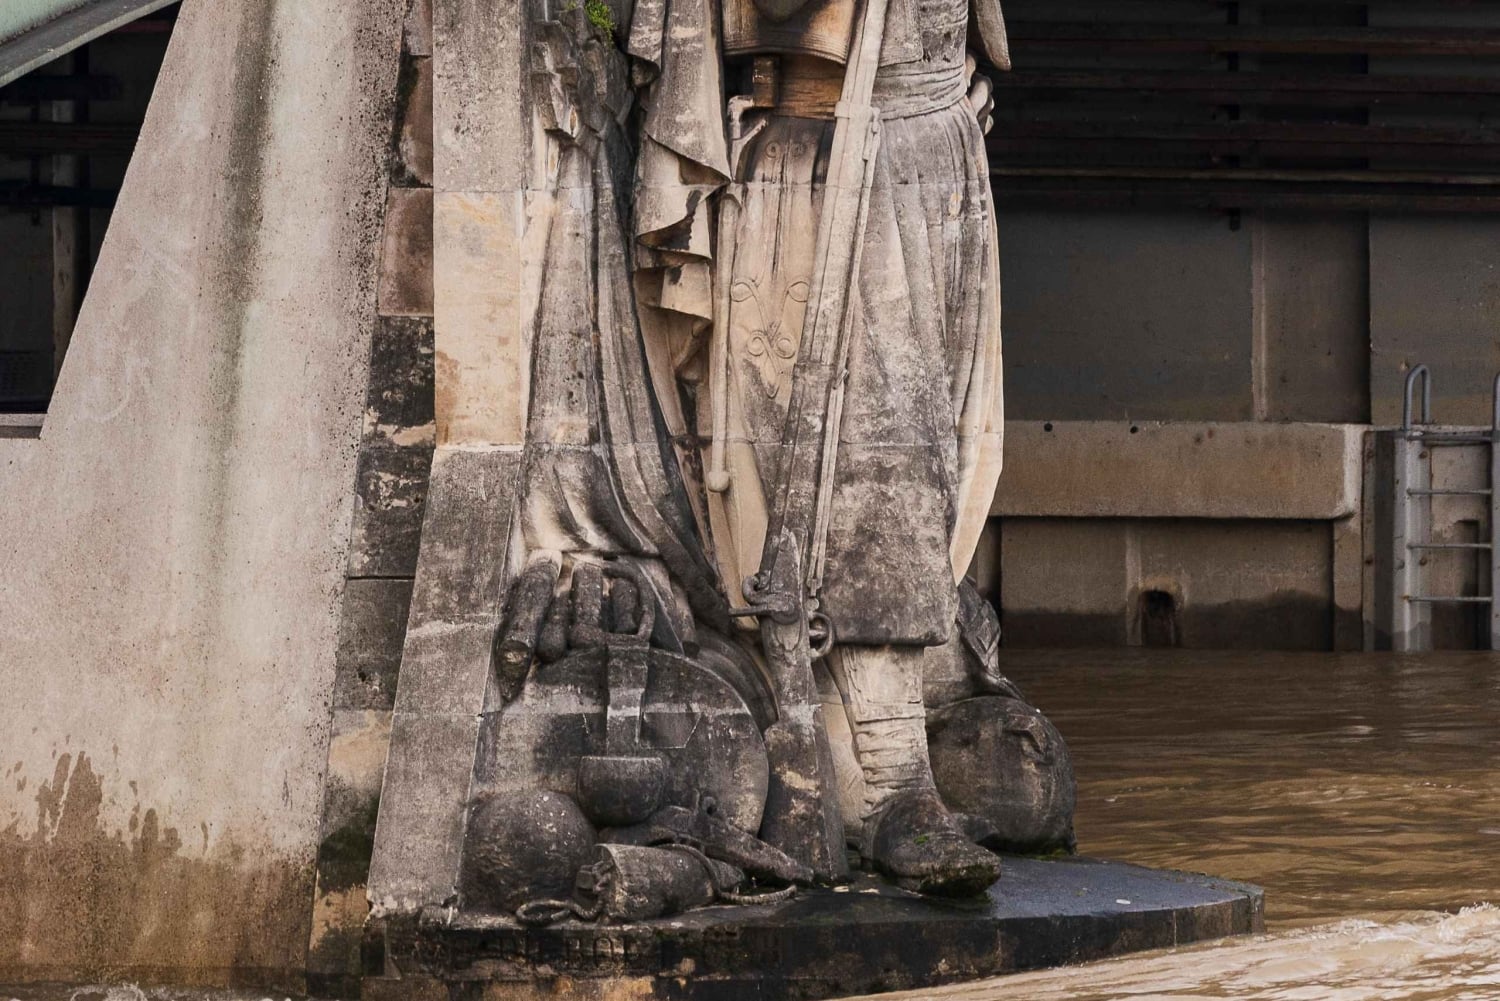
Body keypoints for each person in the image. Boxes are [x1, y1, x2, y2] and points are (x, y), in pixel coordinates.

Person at [631, 0, 1010, 896]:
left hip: (937, 137)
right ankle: (886, 779)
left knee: (936, 460)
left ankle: (884, 758)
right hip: (833, 150)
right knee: (874, 471)